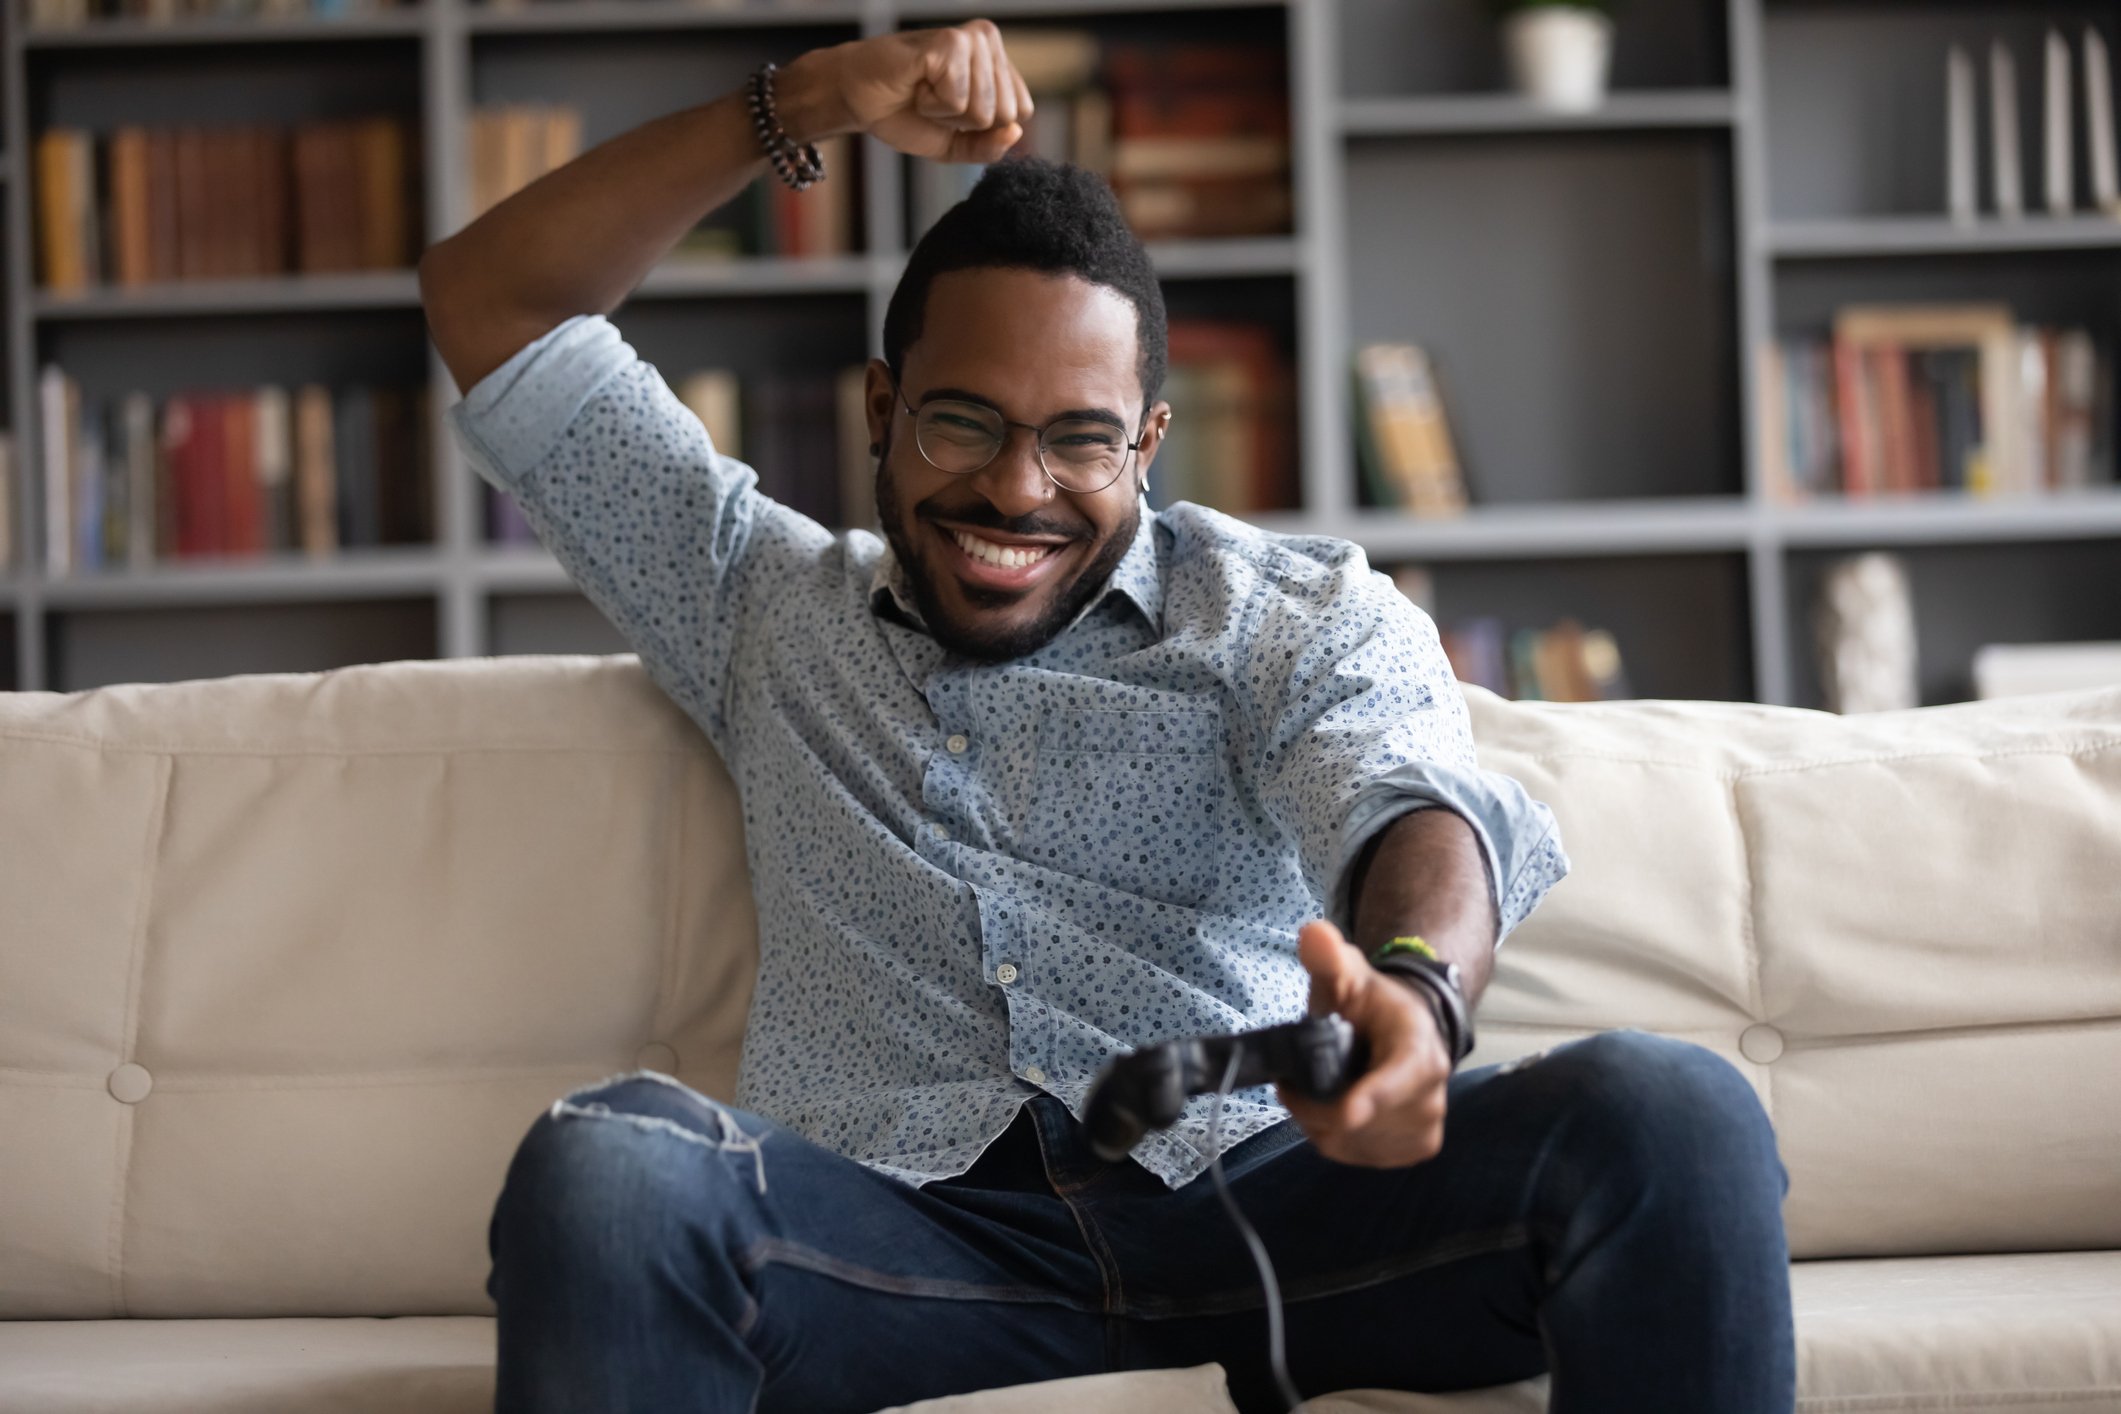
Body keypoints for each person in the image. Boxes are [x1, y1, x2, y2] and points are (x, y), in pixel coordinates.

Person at [419, 21, 1794, 1414]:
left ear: (1144, 441)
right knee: (612, 1163)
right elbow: (491, 301)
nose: (1017, 490)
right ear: (883, 409)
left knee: (1668, 1112)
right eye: (961, 423)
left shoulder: (1279, 610)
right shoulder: (753, 599)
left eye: (1078, 437)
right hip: (897, 1248)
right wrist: (806, 99)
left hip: (1273, 1207)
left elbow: (1410, 801)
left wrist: (1417, 999)